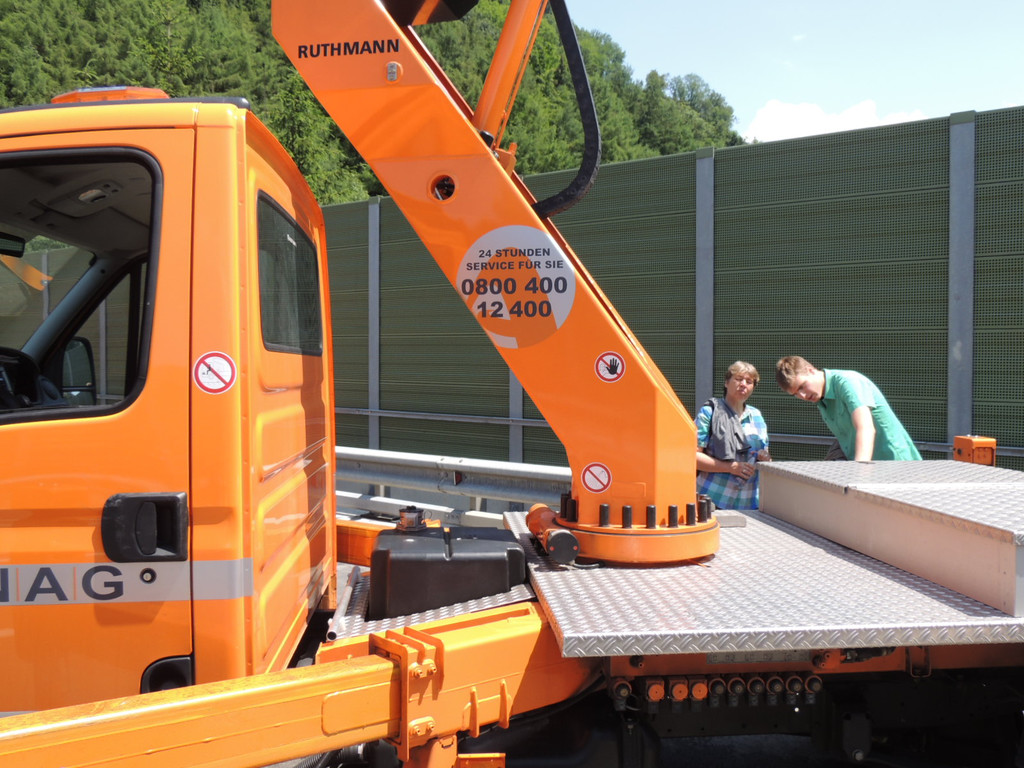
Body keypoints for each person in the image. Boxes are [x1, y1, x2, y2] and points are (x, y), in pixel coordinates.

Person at [775, 356, 921, 461]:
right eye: (795, 394)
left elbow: (865, 428)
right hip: (870, 469)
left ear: (811, 370)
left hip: (895, 465)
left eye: (802, 386)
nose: (802, 395)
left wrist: (859, 473)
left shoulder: (848, 382)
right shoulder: (821, 399)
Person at [694, 361, 771, 511]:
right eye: (738, 379)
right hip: (712, 499)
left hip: (748, 503)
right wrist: (731, 467)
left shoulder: (756, 416)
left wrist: (765, 458)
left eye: (749, 381)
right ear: (726, 383)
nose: (743, 384)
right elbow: (692, 457)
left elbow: (766, 455)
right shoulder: (710, 412)